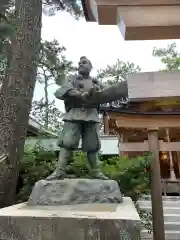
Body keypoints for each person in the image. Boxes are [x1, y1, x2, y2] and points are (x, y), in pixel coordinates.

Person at [46, 56, 108, 180]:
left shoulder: (96, 82)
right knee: (67, 143)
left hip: (91, 115)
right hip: (74, 113)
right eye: (79, 63)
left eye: (84, 62)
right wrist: (80, 95)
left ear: (91, 66)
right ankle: (60, 171)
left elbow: (106, 96)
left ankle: (95, 172)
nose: (80, 64)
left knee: (93, 145)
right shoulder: (72, 79)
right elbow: (62, 91)